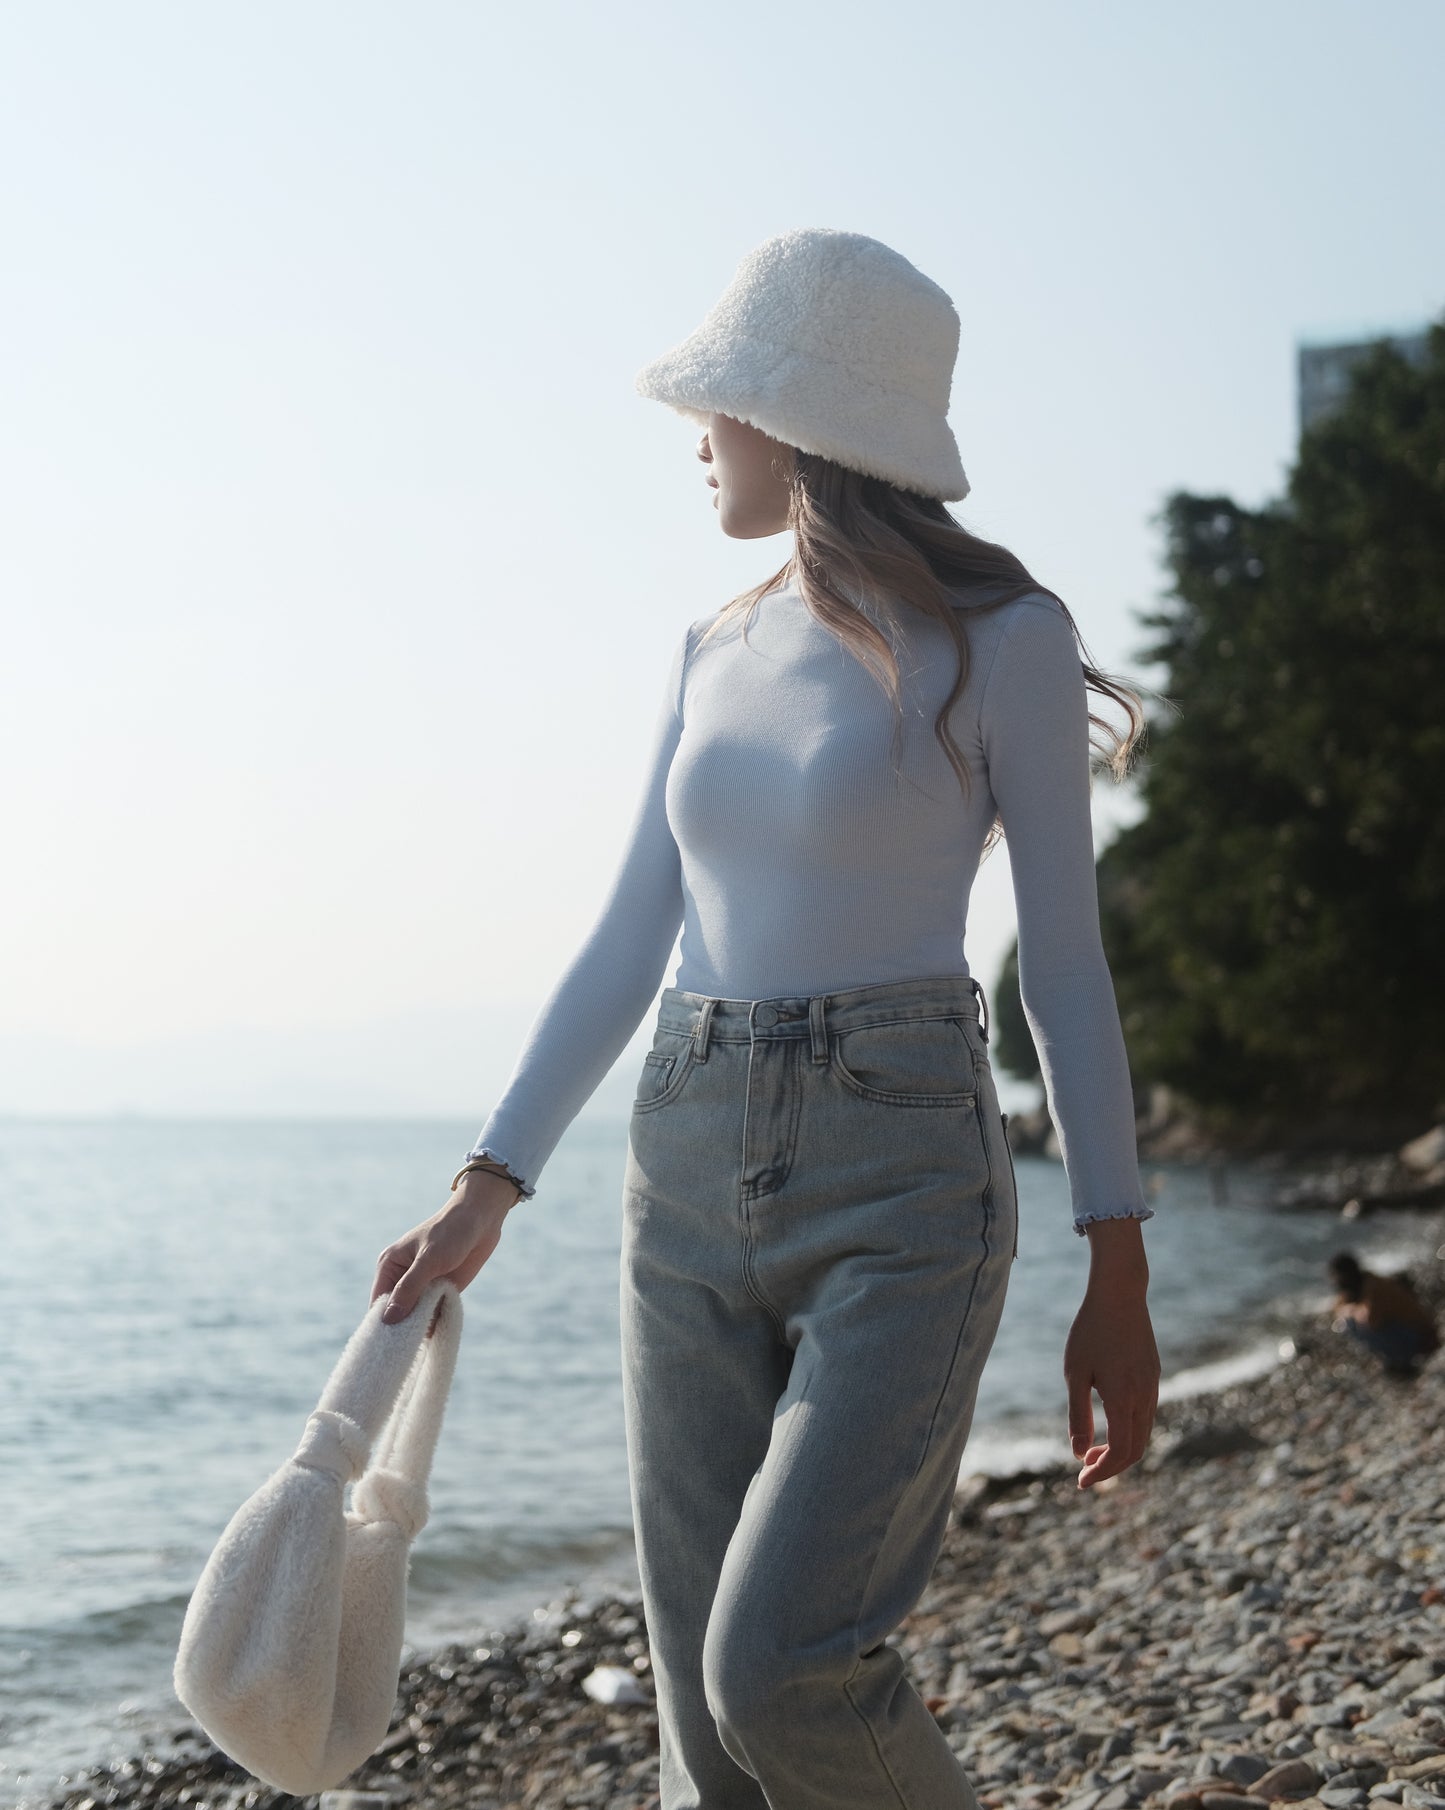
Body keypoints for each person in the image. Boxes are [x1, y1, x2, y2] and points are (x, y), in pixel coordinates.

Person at [370, 228, 1162, 1810]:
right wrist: (488, 1179)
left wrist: (1118, 1260)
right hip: (680, 1156)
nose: (696, 438)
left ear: (797, 423)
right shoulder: (708, 648)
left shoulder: (1002, 641)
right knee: (699, 1730)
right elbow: (624, 938)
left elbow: (1064, 968)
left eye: (719, 402)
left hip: (907, 1175)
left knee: (778, 1668)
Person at [1329, 1250, 1441, 1376]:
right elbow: (1338, 1308)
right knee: (1350, 1322)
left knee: (1353, 1325)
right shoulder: (1359, 1288)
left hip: (1421, 1338)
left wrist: (1352, 1311)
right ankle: (1398, 1360)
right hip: (1412, 1335)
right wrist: (1351, 1310)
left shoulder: (1375, 1287)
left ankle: (1404, 1361)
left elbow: (1372, 1320)